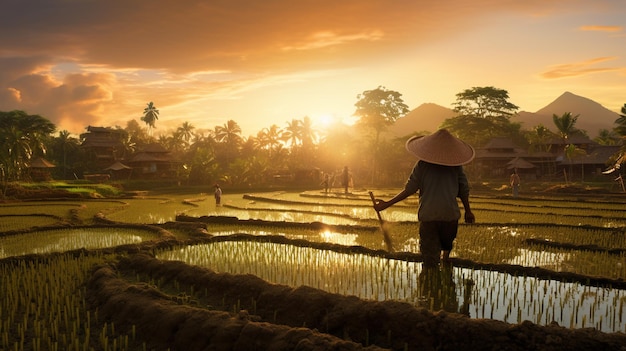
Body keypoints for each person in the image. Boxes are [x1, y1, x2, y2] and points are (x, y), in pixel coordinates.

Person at [373, 129, 475, 268]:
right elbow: (463, 190)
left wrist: (387, 204)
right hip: (449, 215)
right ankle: (445, 266)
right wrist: (468, 211)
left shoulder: (423, 165)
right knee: (446, 247)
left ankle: (431, 280)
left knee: (429, 258)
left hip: (429, 216)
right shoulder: (455, 167)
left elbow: (409, 189)